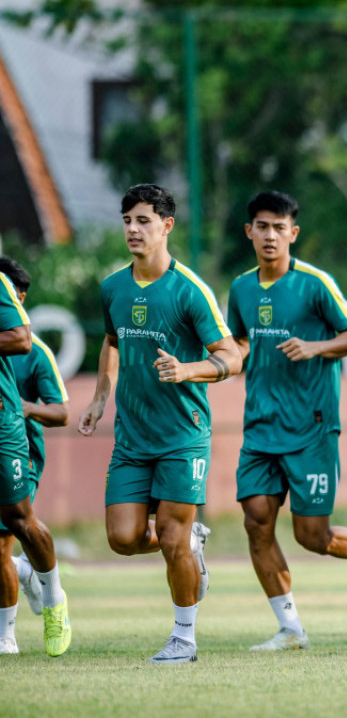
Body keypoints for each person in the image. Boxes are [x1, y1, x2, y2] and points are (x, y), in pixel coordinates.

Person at [78, 183, 244, 663]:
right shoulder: (113, 287)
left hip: (182, 436)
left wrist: (187, 370)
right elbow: (112, 341)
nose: (133, 229)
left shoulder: (190, 291)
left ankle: (184, 639)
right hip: (132, 437)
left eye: (143, 220)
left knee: (171, 536)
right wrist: (100, 396)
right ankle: (192, 542)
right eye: (127, 220)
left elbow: (232, 357)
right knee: (123, 538)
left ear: (167, 226)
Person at [227, 190, 347, 652]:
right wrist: (219, 360)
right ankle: (291, 629)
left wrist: (315, 347)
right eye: (262, 226)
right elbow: (241, 343)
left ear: (293, 233)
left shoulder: (316, 283)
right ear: (250, 232)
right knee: (257, 521)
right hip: (260, 426)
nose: (270, 235)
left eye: (280, 228)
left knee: (312, 536)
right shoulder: (240, 288)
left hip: (311, 427)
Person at [0, 257, 69, 656]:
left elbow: (61, 413)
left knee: (14, 530)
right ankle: (7, 634)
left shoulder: (34, 350)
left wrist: (25, 408)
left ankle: (52, 598)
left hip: (18, 448)